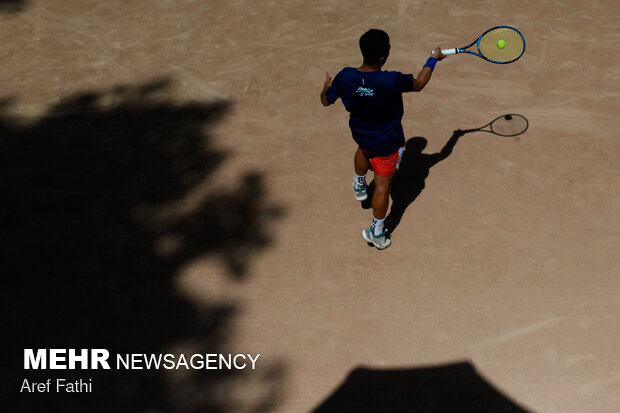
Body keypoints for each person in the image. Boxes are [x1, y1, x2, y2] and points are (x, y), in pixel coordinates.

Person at [320, 28, 445, 249]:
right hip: (387, 145)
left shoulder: (345, 76)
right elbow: (419, 83)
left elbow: (326, 101)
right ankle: (376, 233)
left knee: (363, 151)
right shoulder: (393, 80)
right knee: (382, 188)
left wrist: (326, 88)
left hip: (362, 135)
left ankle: (359, 186)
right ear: (384, 55)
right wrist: (433, 59)